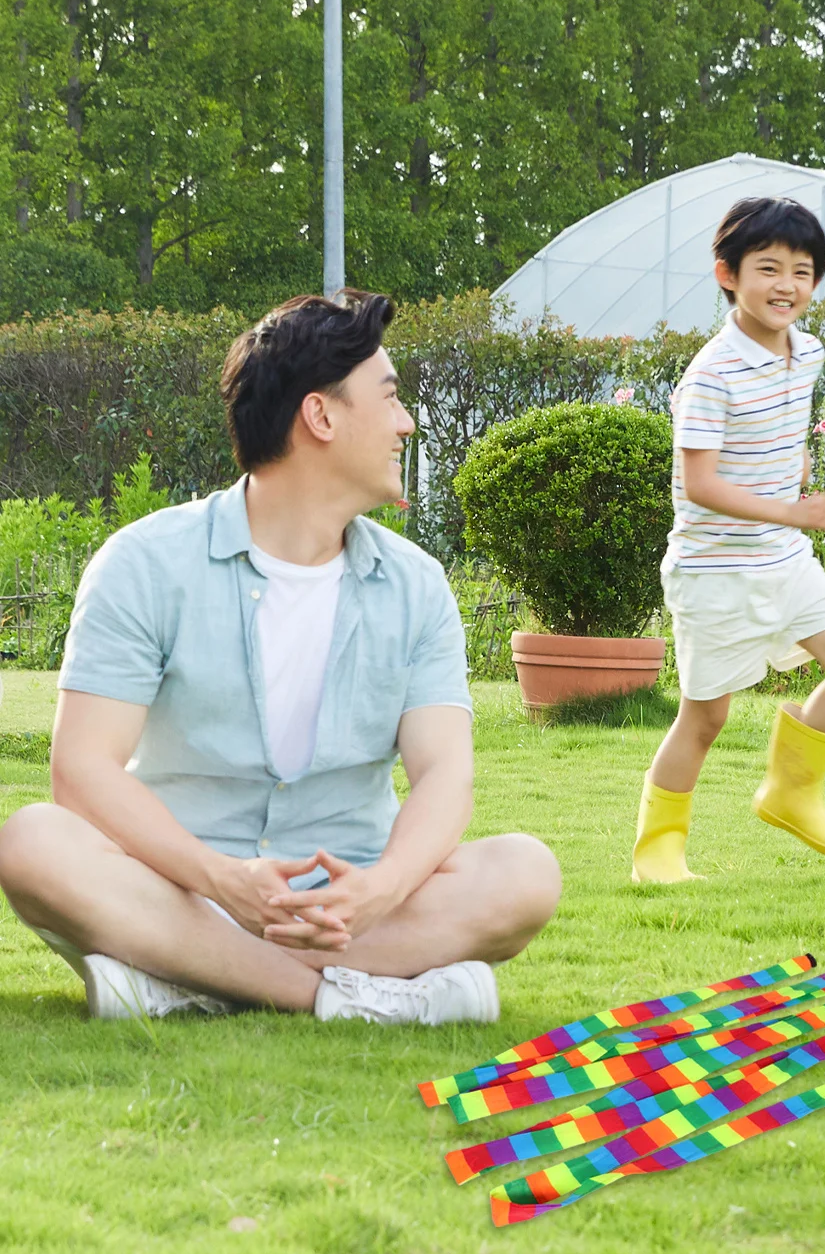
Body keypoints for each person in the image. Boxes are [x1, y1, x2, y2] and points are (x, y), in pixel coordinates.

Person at [0, 292, 561, 1022]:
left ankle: (180, 975)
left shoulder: (416, 585)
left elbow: (446, 775)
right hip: (179, 886)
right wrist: (223, 879)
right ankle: (345, 998)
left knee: (525, 873)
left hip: (348, 905)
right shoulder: (144, 562)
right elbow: (82, 770)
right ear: (320, 417)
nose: (406, 422)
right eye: (389, 399)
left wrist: (383, 888)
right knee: (34, 843)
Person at [631, 197, 825, 884]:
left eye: (802, 271)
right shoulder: (711, 373)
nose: (786, 285)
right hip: (716, 571)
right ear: (727, 275)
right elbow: (700, 486)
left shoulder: (806, 352)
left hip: (784, 561)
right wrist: (792, 509)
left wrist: (789, 466)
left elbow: (772, 435)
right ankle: (657, 853)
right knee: (704, 720)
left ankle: (791, 794)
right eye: (767, 268)